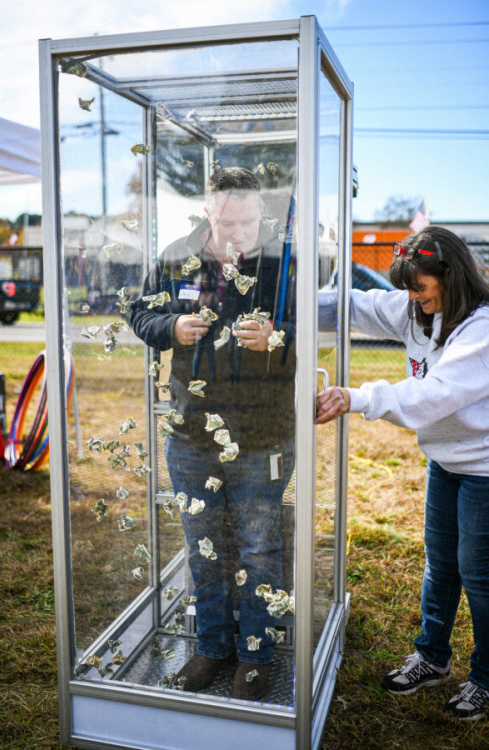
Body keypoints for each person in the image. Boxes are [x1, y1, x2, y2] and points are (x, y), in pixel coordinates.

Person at [131, 168, 295, 701]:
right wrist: (170, 328)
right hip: (190, 431)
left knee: (259, 548)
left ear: (260, 214)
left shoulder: (281, 261)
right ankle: (212, 646)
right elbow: (138, 315)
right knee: (203, 546)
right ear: (208, 211)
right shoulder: (177, 255)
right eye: (227, 222)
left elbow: (310, 335)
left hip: (263, 433)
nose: (239, 234)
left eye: (248, 221)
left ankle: (256, 655)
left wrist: (276, 338)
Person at [315, 226, 489, 721]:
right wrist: (290, 302)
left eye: (421, 287)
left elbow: (432, 395)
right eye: (407, 289)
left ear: (451, 277)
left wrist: (357, 397)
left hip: (484, 469)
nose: (412, 299)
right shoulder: (415, 309)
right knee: (440, 566)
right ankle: (431, 659)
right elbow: (351, 305)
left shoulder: (481, 328)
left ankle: (485, 679)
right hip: (445, 463)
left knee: (480, 577)